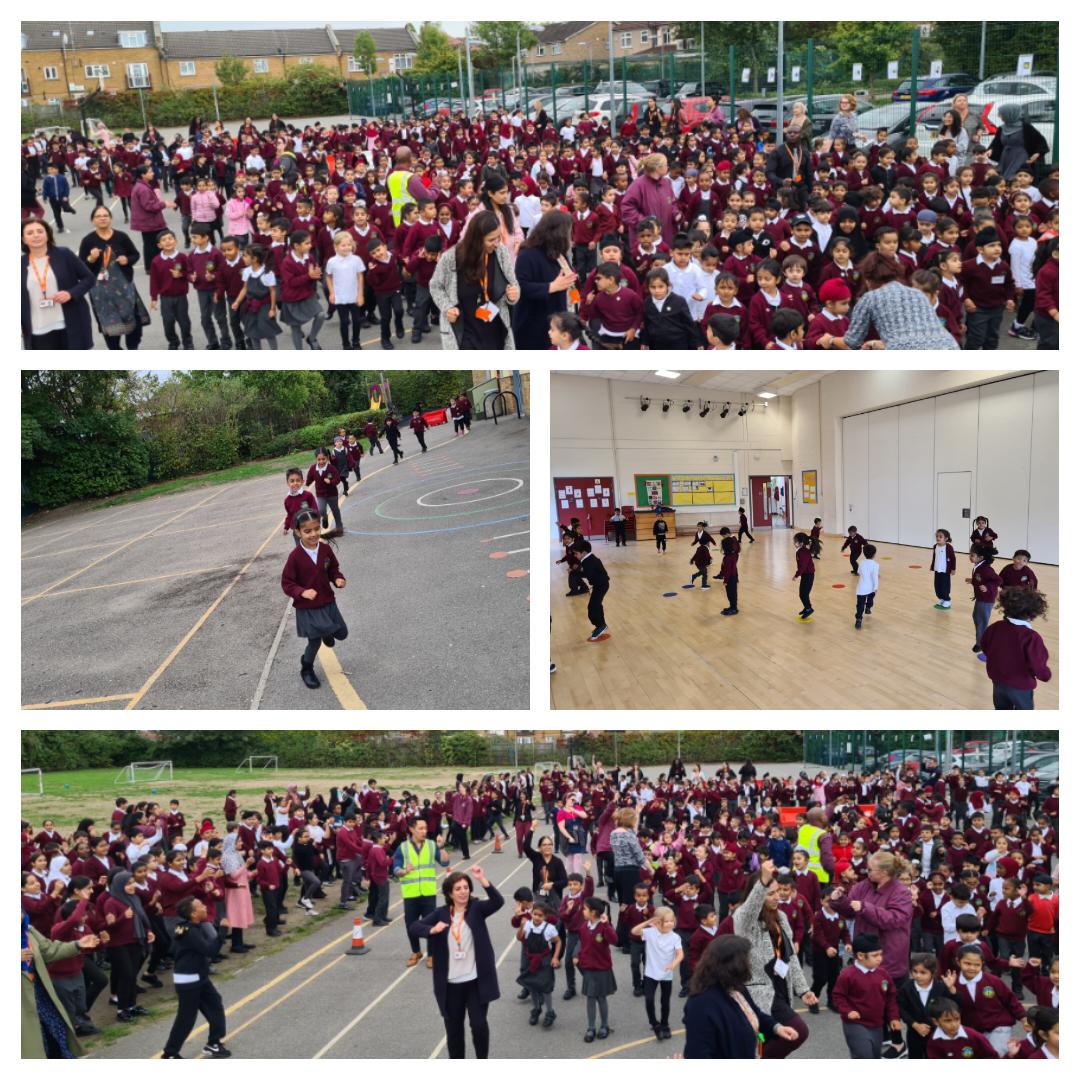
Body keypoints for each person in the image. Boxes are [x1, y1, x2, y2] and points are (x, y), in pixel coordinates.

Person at [412, 866, 504, 1060]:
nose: (463, 891)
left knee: (479, 1026)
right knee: (454, 1033)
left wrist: (482, 880)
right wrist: (432, 930)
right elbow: (414, 926)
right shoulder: (440, 914)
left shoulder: (477, 909)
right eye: (458, 888)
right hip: (450, 985)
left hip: (475, 982)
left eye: (466, 887)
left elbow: (498, 901)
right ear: (449, 893)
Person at [732, 859, 816, 1057]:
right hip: (759, 992)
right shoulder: (744, 919)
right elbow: (750, 907)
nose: (777, 897)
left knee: (770, 1039)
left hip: (780, 986)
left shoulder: (780, 917)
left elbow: (790, 956)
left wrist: (802, 989)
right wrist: (763, 882)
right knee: (798, 1031)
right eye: (771, 893)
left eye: (778, 892)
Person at [683, 933, 802, 1058]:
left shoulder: (735, 986)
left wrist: (776, 1028)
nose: (750, 963)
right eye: (747, 959)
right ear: (733, 965)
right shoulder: (700, 1005)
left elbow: (755, 1013)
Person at [280, 504, 348, 691]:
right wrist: (302, 592)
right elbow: (287, 582)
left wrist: (338, 578)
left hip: (327, 600)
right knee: (315, 641)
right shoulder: (295, 557)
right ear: (298, 532)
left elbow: (333, 568)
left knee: (342, 634)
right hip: (308, 607)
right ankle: (307, 668)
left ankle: (327, 631)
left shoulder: (325, 550)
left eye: (317, 529)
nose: (313, 534)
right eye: (307, 531)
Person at [430, 211, 520, 350]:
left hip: (496, 331)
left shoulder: (501, 253)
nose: (496, 244)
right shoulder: (450, 258)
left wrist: (513, 295)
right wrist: (447, 307)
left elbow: (513, 284)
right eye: (491, 240)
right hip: (465, 333)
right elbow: (435, 286)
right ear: (476, 239)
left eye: (498, 238)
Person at [835, 254, 960, 349]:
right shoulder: (917, 294)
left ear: (868, 278)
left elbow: (852, 341)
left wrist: (830, 340)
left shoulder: (870, 298)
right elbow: (916, 334)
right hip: (949, 347)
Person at [829, 851, 914, 987]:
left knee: (890, 1003)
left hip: (888, 957)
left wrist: (865, 908)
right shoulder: (863, 886)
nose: (866, 872)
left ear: (884, 872)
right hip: (864, 953)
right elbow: (850, 911)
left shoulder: (901, 892)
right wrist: (838, 900)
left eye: (870, 869)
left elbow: (894, 919)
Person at [161, 896, 230, 1058]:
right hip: (189, 980)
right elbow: (210, 951)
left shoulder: (185, 927)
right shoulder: (190, 932)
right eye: (201, 907)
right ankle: (169, 1054)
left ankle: (214, 1043)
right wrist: (222, 931)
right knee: (186, 1018)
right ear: (193, 914)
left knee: (215, 1005)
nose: (205, 908)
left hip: (199, 976)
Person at [22, 911, 98, 1058]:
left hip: (39, 994)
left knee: (54, 1035)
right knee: (30, 1044)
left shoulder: (28, 931)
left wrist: (77, 944)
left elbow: (50, 950)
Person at [21, 219, 95, 350]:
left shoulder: (64, 254)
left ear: (47, 234)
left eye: (40, 231)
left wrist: (70, 293)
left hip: (69, 324)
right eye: (30, 233)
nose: (36, 235)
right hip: (37, 329)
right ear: (23, 239)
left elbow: (89, 278)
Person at [511, 210, 576, 351]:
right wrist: (550, 287)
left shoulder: (558, 253)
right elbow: (520, 286)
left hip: (559, 323)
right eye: (568, 231)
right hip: (534, 325)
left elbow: (568, 281)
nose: (570, 236)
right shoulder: (528, 254)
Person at [979, 587, 1052, 709]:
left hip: (998, 682)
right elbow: (1037, 665)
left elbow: (985, 646)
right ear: (1033, 613)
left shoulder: (994, 627)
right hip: (1020, 686)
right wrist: (1045, 675)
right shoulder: (1031, 637)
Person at [833, 932, 902, 1058]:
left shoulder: (883, 974)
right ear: (860, 955)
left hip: (877, 1024)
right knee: (864, 1055)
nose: (879, 958)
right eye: (874, 955)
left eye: (880, 954)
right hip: (855, 1024)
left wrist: (894, 1017)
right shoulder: (847, 975)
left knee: (875, 1056)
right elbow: (838, 996)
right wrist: (847, 1011)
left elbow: (891, 997)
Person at [393, 817, 450, 968]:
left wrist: (442, 847)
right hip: (410, 894)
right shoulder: (403, 847)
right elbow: (395, 868)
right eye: (421, 828)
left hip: (428, 893)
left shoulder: (432, 846)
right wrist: (404, 871)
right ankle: (416, 951)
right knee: (411, 925)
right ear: (412, 829)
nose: (424, 831)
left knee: (431, 925)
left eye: (425, 828)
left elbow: (445, 862)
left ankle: (431, 955)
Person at [620, 154, 678, 246]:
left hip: (665, 237)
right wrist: (646, 223)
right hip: (645, 239)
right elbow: (627, 208)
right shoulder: (638, 185)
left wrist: (676, 213)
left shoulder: (666, 183)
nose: (668, 167)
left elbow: (672, 202)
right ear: (658, 168)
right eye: (666, 164)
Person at [130, 163, 176, 271]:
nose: (153, 173)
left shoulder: (141, 185)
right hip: (151, 222)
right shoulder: (143, 189)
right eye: (150, 172)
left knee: (150, 244)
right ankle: (156, 266)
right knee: (162, 240)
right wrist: (164, 204)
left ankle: (152, 266)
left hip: (147, 222)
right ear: (143, 175)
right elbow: (149, 206)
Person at [988, 103, 1049, 180]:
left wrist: (1037, 153)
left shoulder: (1026, 128)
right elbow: (996, 143)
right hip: (1006, 158)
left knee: (1014, 177)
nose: (999, 116)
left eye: (1001, 114)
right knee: (1003, 178)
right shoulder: (1002, 128)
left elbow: (1041, 142)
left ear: (1010, 114)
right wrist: (991, 149)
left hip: (1021, 157)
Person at [524, 820, 569, 906]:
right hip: (539, 896)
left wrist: (552, 884)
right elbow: (526, 846)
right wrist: (532, 829)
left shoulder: (557, 862)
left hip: (555, 897)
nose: (547, 847)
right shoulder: (536, 857)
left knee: (554, 918)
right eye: (544, 845)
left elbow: (564, 881)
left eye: (549, 844)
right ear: (539, 847)